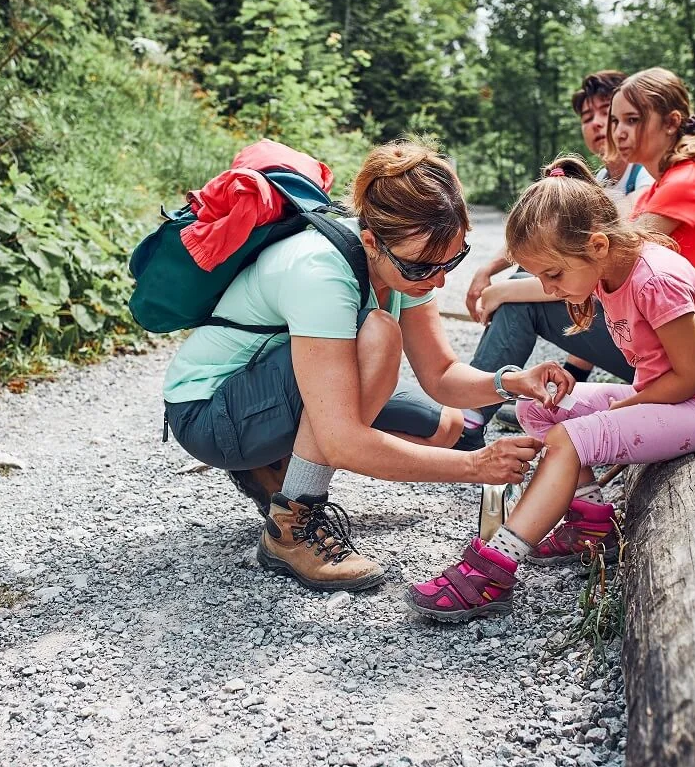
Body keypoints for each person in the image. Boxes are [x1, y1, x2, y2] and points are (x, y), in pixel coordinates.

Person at [163, 138, 574, 593]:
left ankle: (278, 459)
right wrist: (476, 466)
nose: (438, 280)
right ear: (371, 241)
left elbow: (440, 375)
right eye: (423, 268)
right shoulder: (321, 271)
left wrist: (513, 382)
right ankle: (291, 524)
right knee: (379, 335)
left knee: (445, 428)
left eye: (452, 260)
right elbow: (342, 442)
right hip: (210, 412)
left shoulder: (408, 261)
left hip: (268, 391)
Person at [407, 155, 695, 621]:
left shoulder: (656, 279)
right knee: (540, 406)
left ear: (598, 245)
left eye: (553, 274)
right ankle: (592, 525)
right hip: (671, 396)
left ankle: (495, 565)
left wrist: (624, 407)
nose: (548, 287)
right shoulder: (608, 273)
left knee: (572, 436)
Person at [459, 71, 650, 446]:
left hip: (666, 345)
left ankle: (468, 420)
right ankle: (478, 410)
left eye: (608, 114)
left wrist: (501, 292)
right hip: (633, 331)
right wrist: (489, 268)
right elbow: (553, 247)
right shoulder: (602, 179)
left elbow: (607, 271)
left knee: (518, 300)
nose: (598, 124)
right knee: (531, 272)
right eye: (587, 117)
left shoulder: (646, 180)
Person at [611, 67, 695, 328]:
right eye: (615, 121)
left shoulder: (687, 181)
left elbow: (616, 258)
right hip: (676, 326)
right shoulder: (660, 187)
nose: (619, 132)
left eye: (633, 120)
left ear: (671, 123)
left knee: (527, 306)